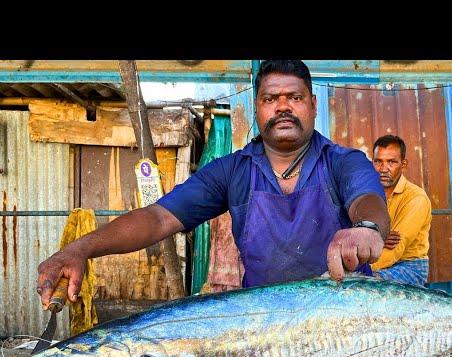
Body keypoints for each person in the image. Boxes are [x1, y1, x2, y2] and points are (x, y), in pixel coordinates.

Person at [36, 60, 390, 306]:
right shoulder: (231, 172)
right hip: (263, 318)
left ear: (312, 105)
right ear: (257, 108)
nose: (283, 107)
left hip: (345, 313)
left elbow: (368, 201)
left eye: (294, 98)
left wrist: (368, 228)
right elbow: (159, 218)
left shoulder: (343, 162)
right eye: (271, 99)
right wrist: (79, 249)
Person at [370, 135, 432, 287]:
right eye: (378, 162)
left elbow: (396, 248)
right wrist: (381, 237)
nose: (383, 169)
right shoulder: (368, 194)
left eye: (391, 162)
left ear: (403, 164)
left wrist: (362, 270)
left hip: (410, 266)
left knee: (364, 284)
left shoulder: (416, 198)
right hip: (377, 260)